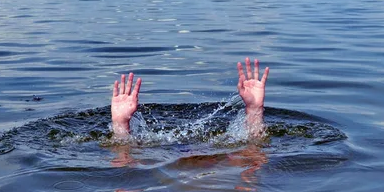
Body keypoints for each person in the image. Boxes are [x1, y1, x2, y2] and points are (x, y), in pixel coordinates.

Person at [111, 57, 269, 140]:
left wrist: (254, 109)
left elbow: (125, 164)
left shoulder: (224, 162)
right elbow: (253, 153)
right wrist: (120, 124)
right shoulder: (224, 165)